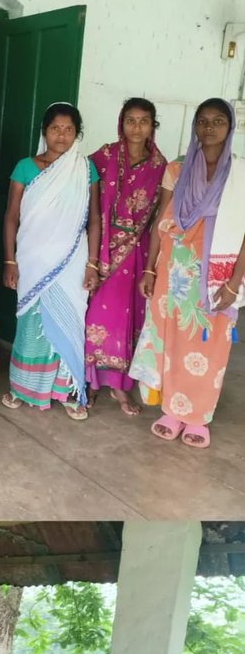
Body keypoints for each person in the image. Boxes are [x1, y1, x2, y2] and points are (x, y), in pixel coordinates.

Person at [131, 98, 245, 448]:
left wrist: (234, 282)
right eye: (203, 121)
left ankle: (198, 416)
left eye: (219, 121)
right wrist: (149, 268)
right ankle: (172, 410)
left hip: (217, 274)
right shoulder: (178, 169)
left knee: (209, 347)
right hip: (174, 270)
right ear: (195, 126)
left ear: (230, 127)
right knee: (173, 342)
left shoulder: (240, 174)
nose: (209, 127)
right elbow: (159, 221)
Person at [2, 103, 101, 420]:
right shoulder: (26, 167)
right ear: (44, 131)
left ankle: (68, 390)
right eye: (55, 128)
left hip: (72, 259)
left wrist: (93, 263)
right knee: (32, 323)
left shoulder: (85, 169)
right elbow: (11, 217)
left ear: (77, 133)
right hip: (32, 259)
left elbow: (94, 220)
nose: (62, 135)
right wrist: (10, 261)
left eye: (69, 129)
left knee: (69, 319)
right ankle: (23, 387)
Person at [86, 98, 166, 415]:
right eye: (130, 120)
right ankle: (90, 383)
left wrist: (151, 266)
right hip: (101, 248)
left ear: (152, 126)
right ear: (121, 122)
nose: (136, 127)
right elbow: (81, 184)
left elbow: (161, 215)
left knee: (127, 318)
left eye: (143, 121)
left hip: (136, 252)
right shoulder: (105, 156)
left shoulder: (160, 166)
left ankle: (120, 387)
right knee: (95, 318)